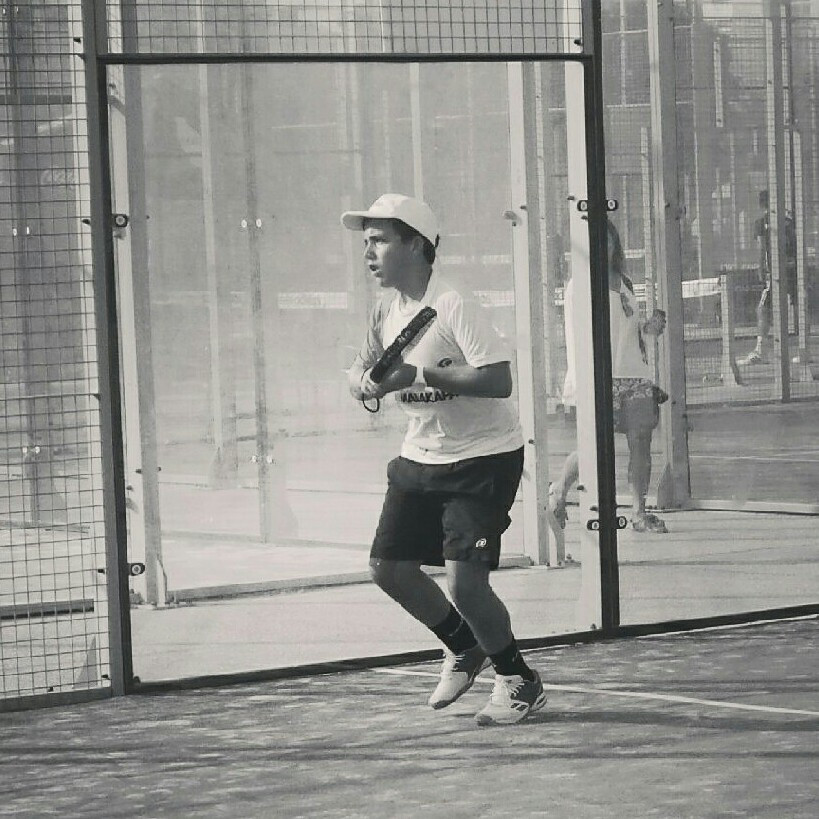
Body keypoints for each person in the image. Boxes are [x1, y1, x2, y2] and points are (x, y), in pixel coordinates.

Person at [343, 193, 546, 726]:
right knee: (389, 570)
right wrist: (362, 382)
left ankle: (519, 680)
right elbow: (362, 367)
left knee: (465, 584)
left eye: (379, 240)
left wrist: (416, 375)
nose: (368, 252)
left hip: (483, 458)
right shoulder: (386, 310)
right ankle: (463, 645)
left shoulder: (454, 302)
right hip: (420, 454)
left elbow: (498, 380)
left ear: (416, 244)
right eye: (366, 242)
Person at [549, 219, 668, 535]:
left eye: (609, 239)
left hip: (635, 376)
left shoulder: (625, 282)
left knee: (641, 442)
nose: (605, 246)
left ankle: (639, 513)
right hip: (599, 377)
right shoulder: (579, 285)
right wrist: (581, 382)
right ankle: (559, 488)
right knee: (594, 446)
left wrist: (649, 328)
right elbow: (578, 336)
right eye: (597, 241)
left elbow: (628, 329)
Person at [740, 189, 798, 365]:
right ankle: (802, 349)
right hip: (792, 270)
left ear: (761, 204)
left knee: (763, 309)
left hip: (775, 272)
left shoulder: (762, 223)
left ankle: (761, 350)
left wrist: (761, 269)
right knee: (796, 305)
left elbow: (762, 248)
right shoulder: (788, 222)